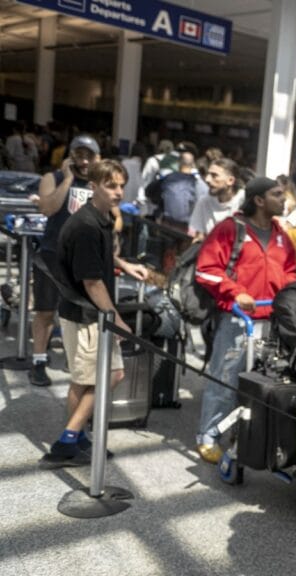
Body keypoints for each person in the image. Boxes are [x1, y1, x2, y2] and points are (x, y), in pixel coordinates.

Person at [42, 159, 148, 466]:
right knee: (111, 374)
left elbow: (100, 260)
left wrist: (124, 264)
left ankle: (78, 438)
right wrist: (117, 318)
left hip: (84, 312)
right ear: (93, 187)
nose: (117, 192)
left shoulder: (97, 218)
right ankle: (67, 441)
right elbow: (92, 282)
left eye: (120, 186)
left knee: (84, 379)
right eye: (110, 185)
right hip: (86, 313)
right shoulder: (87, 225)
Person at [194, 176, 296, 463]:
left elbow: (290, 271)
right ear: (259, 200)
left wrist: (289, 295)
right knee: (224, 378)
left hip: (271, 319)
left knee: (261, 381)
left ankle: (248, 433)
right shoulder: (230, 229)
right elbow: (206, 270)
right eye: (277, 194)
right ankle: (209, 434)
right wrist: (235, 292)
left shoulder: (281, 234)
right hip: (236, 319)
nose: (284, 199)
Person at [30, 134, 102, 387]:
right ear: (70, 155)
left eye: (89, 155)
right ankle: (38, 360)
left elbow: (112, 215)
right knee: (45, 310)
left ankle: (78, 362)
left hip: (83, 259)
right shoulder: (54, 178)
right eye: (79, 154)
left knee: (80, 315)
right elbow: (47, 208)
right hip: (52, 254)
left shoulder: (98, 183)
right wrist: (68, 179)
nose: (84, 161)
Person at [146, 150, 207, 232]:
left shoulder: (168, 178)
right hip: (188, 228)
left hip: (166, 225)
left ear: (178, 163)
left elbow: (149, 192)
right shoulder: (199, 183)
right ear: (193, 165)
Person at [188, 157, 245, 240]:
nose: (207, 179)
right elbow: (195, 234)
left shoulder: (244, 201)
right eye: (208, 174)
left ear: (230, 180)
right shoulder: (204, 201)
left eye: (214, 175)